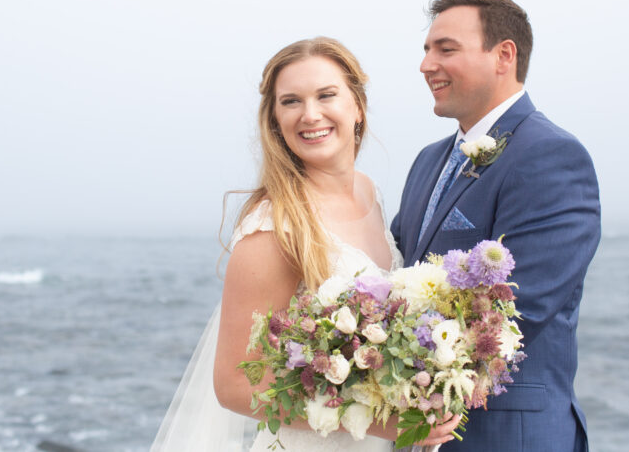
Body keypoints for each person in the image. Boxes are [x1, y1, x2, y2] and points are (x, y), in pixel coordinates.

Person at [151, 37, 459, 451]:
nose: (310, 114)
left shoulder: (369, 193)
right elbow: (234, 384)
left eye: (326, 95)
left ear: (358, 107)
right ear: (275, 120)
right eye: (291, 101)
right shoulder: (275, 226)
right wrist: (380, 425)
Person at [391, 0, 601, 451]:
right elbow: (396, 269)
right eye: (427, 50)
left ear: (504, 55)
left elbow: (519, 308)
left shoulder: (551, 155)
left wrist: (381, 348)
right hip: (420, 432)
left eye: (445, 49)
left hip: (507, 436)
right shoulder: (428, 161)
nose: (426, 65)